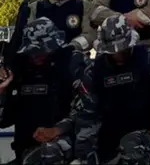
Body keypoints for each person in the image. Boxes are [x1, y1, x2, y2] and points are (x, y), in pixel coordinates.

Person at [73, 15, 150, 164]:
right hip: (109, 135)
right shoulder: (94, 72)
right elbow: (87, 115)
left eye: (123, 49)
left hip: (147, 134)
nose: (118, 54)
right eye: (113, 51)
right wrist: (86, 154)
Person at [0, 18, 89, 165]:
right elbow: (4, 120)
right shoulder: (20, 69)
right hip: (26, 150)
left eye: (40, 52)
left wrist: (57, 130)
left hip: (64, 145)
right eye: (32, 53)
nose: (36, 57)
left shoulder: (72, 64)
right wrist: (2, 91)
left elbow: (88, 111)